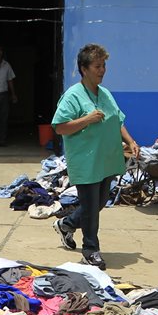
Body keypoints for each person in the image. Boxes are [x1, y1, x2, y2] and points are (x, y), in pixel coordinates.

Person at [50, 43, 139, 270]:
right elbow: (60, 127)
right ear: (84, 68)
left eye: (104, 66)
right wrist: (87, 119)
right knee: (90, 207)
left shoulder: (105, 94)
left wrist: (130, 141)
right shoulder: (73, 96)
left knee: (97, 204)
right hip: (86, 161)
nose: (102, 70)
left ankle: (66, 224)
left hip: (106, 159)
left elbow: (117, 120)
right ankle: (90, 250)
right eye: (97, 66)